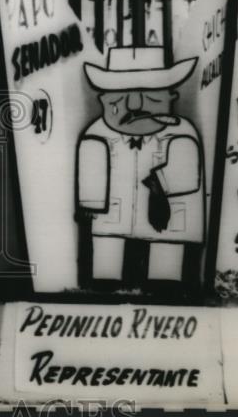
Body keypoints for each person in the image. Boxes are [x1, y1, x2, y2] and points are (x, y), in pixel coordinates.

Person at [77, 47, 203, 295]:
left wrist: (160, 183)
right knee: (106, 262)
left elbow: (187, 172)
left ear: (170, 98)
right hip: (112, 216)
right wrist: (90, 203)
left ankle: (164, 286)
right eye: (120, 98)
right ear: (103, 100)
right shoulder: (97, 134)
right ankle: (106, 284)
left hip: (168, 219)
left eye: (150, 97)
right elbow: (91, 167)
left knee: (166, 263)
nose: (134, 105)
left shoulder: (181, 132)